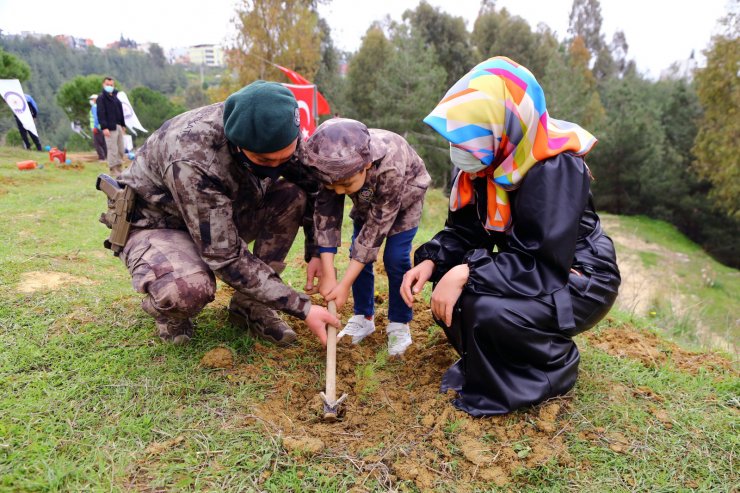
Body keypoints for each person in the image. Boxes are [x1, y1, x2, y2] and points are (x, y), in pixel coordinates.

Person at [401, 57, 621, 416]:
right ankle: (495, 368)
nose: (461, 148)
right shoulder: (488, 162)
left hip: (578, 276)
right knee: (455, 295)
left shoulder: (555, 166)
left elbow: (543, 263)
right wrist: (432, 261)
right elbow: (465, 232)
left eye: (473, 132)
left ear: (504, 121)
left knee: (487, 309)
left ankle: (551, 369)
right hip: (531, 264)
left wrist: (467, 271)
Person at [99, 81, 339, 346]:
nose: (276, 167)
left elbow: (315, 186)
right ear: (237, 146)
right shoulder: (193, 157)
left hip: (220, 213)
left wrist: (317, 251)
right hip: (159, 224)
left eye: (284, 158)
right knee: (187, 290)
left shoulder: (279, 130)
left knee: (292, 194)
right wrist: (302, 307)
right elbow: (224, 257)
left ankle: (250, 304)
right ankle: (170, 308)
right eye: (265, 162)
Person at [302, 118, 431, 356]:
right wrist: (330, 276)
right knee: (356, 253)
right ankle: (364, 316)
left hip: (403, 200)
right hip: (366, 199)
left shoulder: (390, 164)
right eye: (334, 186)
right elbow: (326, 216)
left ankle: (399, 322)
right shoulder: (330, 165)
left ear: (366, 165)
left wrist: (344, 285)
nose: (339, 192)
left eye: (345, 185)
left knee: (395, 258)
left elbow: (375, 231)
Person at [96, 76, 127, 177]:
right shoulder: (101, 98)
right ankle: (113, 169)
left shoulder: (116, 98)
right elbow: (100, 113)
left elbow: (120, 112)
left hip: (118, 126)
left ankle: (119, 167)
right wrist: (104, 127)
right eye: (107, 85)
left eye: (111, 85)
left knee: (121, 149)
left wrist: (123, 124)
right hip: (109, 128)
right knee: (112, 149)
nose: (109, 86)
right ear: (103, 85)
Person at [89, 94, 107, 161]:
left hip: (97, 128)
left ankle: (102, 158)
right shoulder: (101, 106)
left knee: (97, 144)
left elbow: (96, 118)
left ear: (95, 100)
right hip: (102, 127)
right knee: (103, 143)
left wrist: (95, 127)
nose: (90, 101)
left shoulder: (94, 106)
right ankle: (105, 156)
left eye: (91, 99)